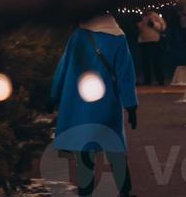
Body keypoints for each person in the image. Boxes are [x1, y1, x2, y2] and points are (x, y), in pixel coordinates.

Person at [52, 14, 138, 197]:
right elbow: (125, 75)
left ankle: (86, 193)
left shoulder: (78, 36)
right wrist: (131, 106)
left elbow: (64, 66)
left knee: (85, 153)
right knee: (115, 149)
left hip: (80, 103)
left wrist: (54, 95)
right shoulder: (118, 37)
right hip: (108, 103)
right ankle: (126, 192)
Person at [137, 11, 166, 86]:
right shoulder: (140, 17)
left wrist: (153, 24)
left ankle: (160, 80)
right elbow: (138, 29)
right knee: (145, 63)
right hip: (143, 41)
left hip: (154, 41)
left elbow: (163, 27)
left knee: (156, 61)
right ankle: (147, 80)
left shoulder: (154, 16)